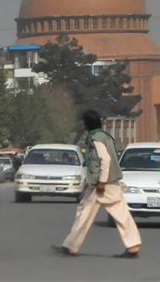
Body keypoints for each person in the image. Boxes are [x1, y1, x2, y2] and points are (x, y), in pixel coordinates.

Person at [51, 109, 141, 258]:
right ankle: (71, 245)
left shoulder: (96, 138)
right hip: (106, 182)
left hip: (103, 183)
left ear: (88, 123)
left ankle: (71, 245)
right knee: (88, 212)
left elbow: (105, 159)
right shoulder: (105, 136)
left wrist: (102, 182)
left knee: (101, 213)